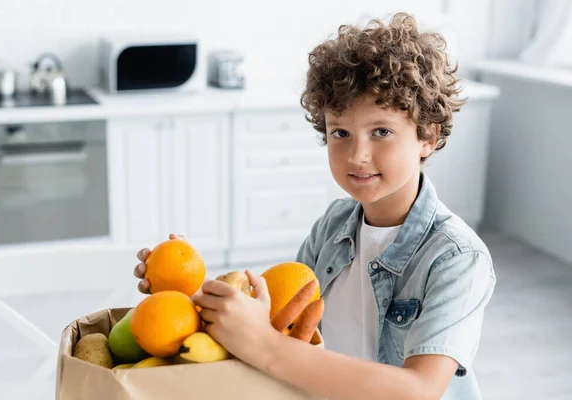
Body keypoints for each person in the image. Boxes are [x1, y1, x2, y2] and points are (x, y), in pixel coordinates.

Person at [134, 12, 496, 400]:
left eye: (381, 131)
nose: (357, 155)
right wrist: (189, 286)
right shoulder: (334, 225)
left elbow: (417, 391)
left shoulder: (456, 258)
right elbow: (281, 320)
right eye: (340, 132)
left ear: (427, 137)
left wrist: (266, 348)